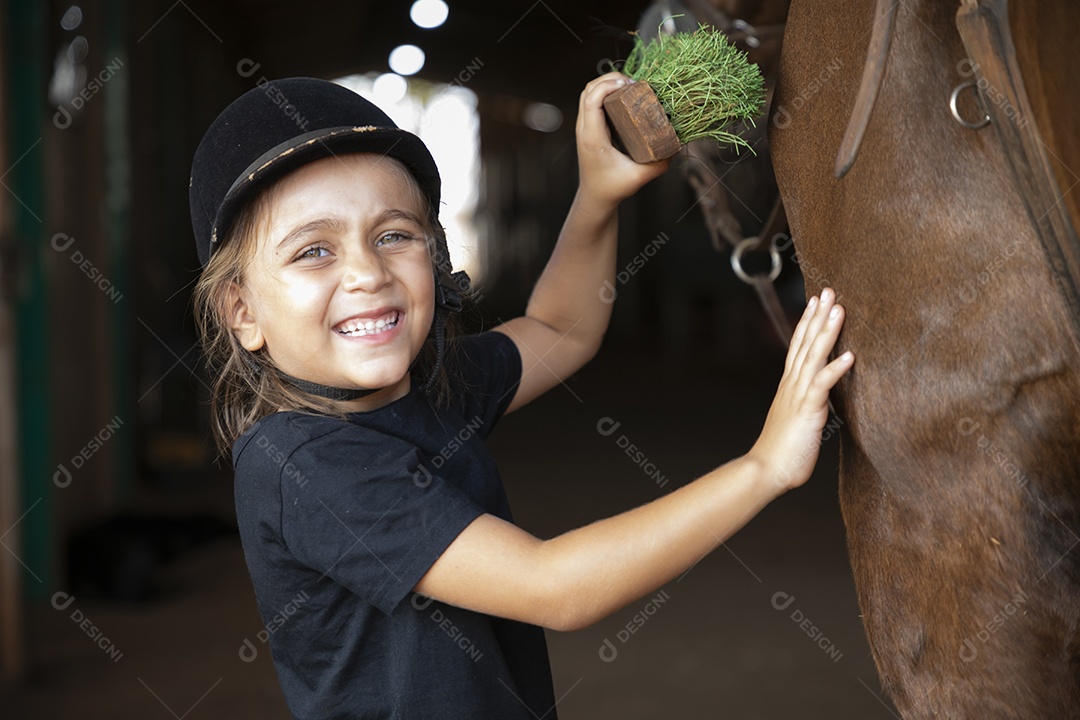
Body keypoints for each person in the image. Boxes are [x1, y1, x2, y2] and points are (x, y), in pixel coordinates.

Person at [189, 74, 853, 720]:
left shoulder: (426, 387)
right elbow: (554, 587)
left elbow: (561, 329)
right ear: (242, 312)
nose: (367, 272)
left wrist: (596, 196)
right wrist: (763, 468)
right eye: (313, 251)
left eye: (393, 234)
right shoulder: (306, 467)